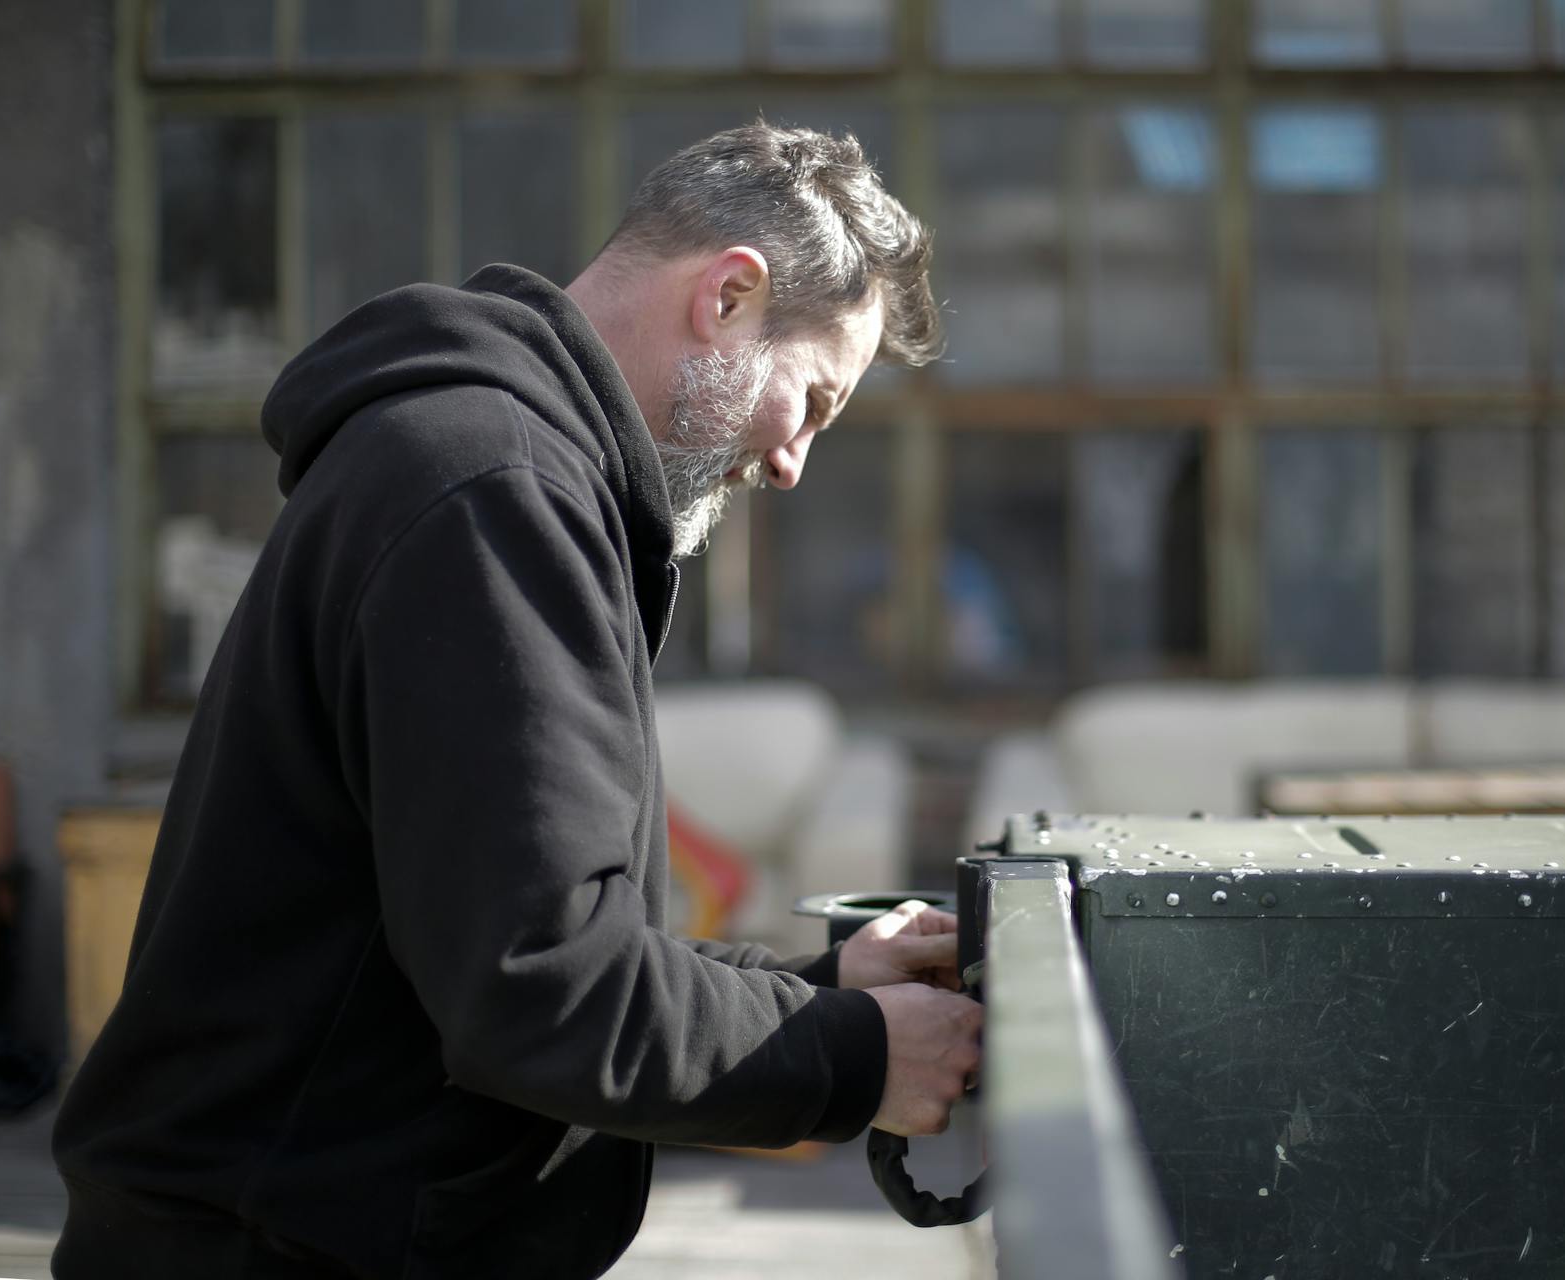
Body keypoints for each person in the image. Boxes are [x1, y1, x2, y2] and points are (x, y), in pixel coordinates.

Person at [50, 122, 982, 1279]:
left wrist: (822, 991)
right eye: (814, 402)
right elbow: (543, 991)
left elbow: (528, 945)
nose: (792, 462)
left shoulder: (495, 465)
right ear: (731, 295)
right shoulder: (497, 492)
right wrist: (853, 1053)